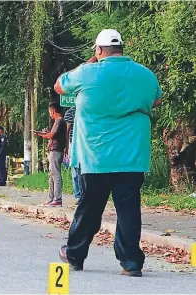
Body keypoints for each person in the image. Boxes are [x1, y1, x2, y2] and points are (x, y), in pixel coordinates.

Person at [54, 29, 162, 276]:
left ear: (99, 50)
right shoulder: (145, 75)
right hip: (133, 156)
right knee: (128, 209)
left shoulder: (87, 72)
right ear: (122, 49)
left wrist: (89, 63)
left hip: (96, 156)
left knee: (90, 208)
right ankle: (131, 262)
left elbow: (59, 86)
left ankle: (75, 254)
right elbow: (155, 101)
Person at [35, 102, 67, 207]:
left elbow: (50, 136)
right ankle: (51, 198)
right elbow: (53, 135)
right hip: (54, 150)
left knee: (56, 175)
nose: (50, 114)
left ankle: (57, 199)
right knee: (52, 175)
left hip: (56, 150)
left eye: (50, 112)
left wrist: (39, 133)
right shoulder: (59, 122)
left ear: (53, 111)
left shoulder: (59, 121)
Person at [64, 106, 82, 204]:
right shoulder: (70, 112)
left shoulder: (88, 108)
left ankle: (84, 194)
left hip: (87, 144)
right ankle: (78, 195)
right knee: (75, 171)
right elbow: (66, 131)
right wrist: (66, 146)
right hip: (73, 144)